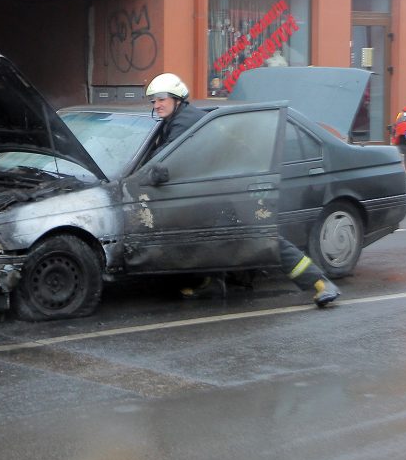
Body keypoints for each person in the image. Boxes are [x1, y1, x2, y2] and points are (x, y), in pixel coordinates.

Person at [144, 72, 340, 307]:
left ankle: (321, 283)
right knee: (212, 238)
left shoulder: (184, 121)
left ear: (177, 99)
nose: (157, 104)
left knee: (264, 240)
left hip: (234, 192)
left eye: (162, 98)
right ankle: (213, 282)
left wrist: (148, 172)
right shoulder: (173, 121)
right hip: (214, 192)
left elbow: (165, 159)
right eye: (153, 100)